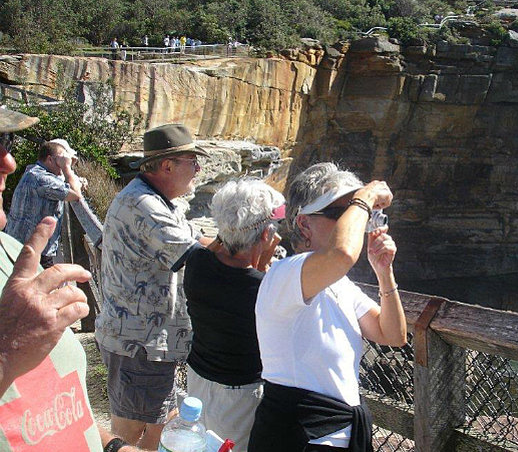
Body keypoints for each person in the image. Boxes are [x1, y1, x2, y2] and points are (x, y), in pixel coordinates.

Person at [0, 107, 148, 452]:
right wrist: (7, 351)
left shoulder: (10, 253)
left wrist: (114, 447)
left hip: (34, 253)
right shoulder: (39, 176)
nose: (9, 162)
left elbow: (50, 405)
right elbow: (74, 194)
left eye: (6, 141)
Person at [248, 162, 407, 452]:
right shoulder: (284, 274)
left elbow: (393, 334)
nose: (353, 218)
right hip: (300, 436)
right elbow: (342, 253)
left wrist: (384, 272)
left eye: (353, 211)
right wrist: (365, 197)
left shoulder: (340, 284)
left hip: (335, 433)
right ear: (304, 224)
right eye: (340, 212)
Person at [95, 124, 212, 449]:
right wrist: (245, 252)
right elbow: (196, 256)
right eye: (193, 161)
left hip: (143, 343)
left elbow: (196, 239)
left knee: (156, 427)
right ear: (167, 166)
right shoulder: (143, 205)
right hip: (140, 346)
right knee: (131, 434)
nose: (198, 169)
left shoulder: (159, 201)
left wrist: (232, 243)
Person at [184, 179, 285, 451]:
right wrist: (265, 259)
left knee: (197, 444)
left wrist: (229, 235)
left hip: (198, 377)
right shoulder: (265, 288)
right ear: (266, 235)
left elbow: (220, 257)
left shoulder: (196, 262)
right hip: (240, 393)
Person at [5, 138, 83, 268]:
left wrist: (69, 169)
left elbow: (64, 183)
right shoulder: (41, 178)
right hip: (32, 251)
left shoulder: (33, 171)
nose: (63, 164)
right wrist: (67, 168)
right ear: (50, 159)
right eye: (60, 160)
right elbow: (75, 194)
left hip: (23, 246)